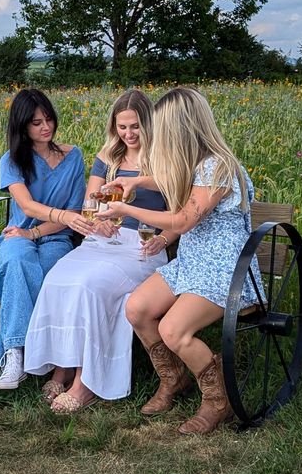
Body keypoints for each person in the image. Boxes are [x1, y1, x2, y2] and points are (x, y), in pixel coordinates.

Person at [102, 86, 260, 434]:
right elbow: (172, 181)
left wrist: (126, 208)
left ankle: (219, 401)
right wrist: (139, 181)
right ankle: (174, 379)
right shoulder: (197, 162)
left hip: (224, 269)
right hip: (192, 263)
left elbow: (184, 221)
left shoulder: (219, 167)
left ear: (184, 125)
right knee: (137, 308)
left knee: (173, 329)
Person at [23, 90, 169, 413]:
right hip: (103, 241)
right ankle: (62, 366)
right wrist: (97, 218)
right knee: (59, 278)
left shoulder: (164, 159)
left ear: (149, 125)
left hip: (141, 248)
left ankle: (85, 383)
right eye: (122, 127)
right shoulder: (108, 156)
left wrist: (165, 239)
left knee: (90, 287)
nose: (128, 134)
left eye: (135, 127)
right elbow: (91, 201)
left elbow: (180, 212)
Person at [0, 88, 89, 391]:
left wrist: (41, 230)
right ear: (22, 126)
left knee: (46, 269)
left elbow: (75, 209)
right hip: (18, 233)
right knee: (18, 261)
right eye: (36, 122)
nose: (45, 127)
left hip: (56, 238)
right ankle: (17, 354)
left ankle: (15, 350)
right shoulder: (11, 160)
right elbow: (28, 207)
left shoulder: (72, 156)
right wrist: (32, 230)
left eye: (48, 119)